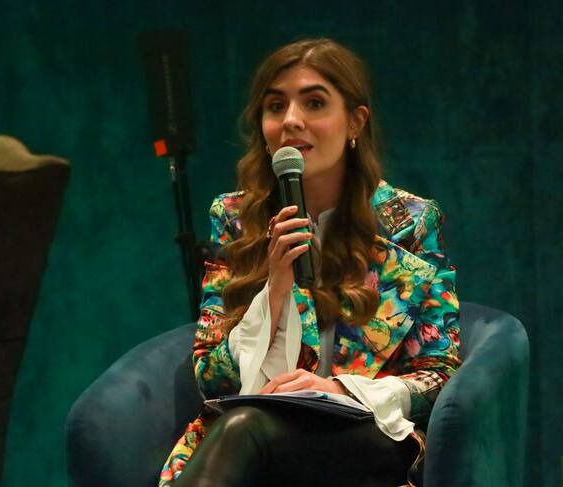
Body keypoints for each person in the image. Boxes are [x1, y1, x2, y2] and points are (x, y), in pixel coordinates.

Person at [159, 37, 461, 487]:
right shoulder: (236, 219)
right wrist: (274, 291)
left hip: (366, 435)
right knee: (245, 430)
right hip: (256, 429)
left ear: (355, 121)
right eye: (275, 106)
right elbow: (212, 379)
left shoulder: (410, 221)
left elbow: (440, 373)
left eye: (314, 103)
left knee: (244, 431)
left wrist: (341, 390)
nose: (291, 120)